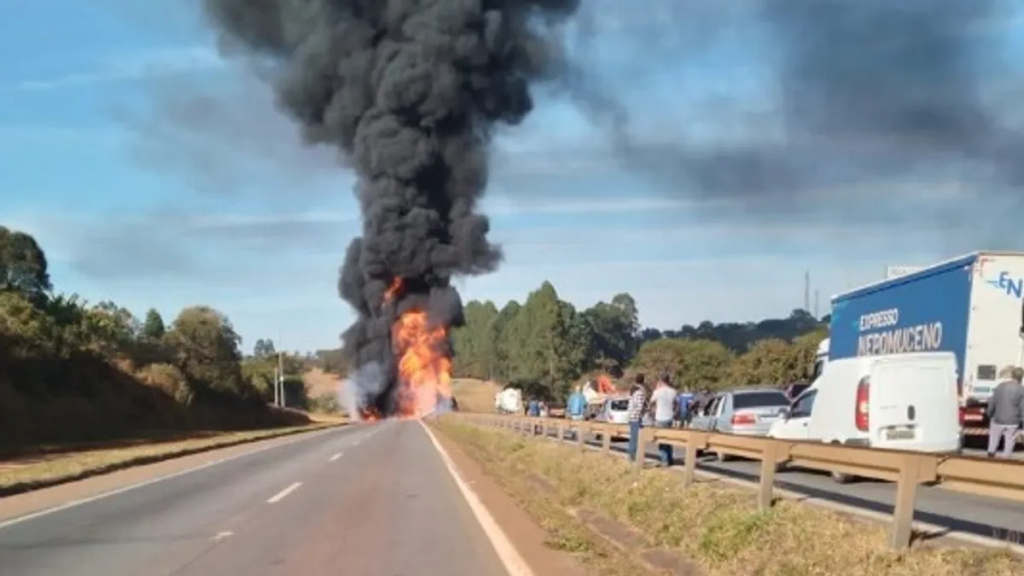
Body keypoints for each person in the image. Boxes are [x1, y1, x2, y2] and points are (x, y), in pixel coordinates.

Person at [986, 366, 1024, 458]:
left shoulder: (1000, 387)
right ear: (1021, 377)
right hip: (1013, 421)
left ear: (1012, 375)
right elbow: (1023, 407)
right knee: (1009, 442)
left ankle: (990, 456)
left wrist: (989, 413)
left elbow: (992, 402)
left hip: (998, 419)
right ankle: (1005, 461)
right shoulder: (1021, 390)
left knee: (993, 439)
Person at [649, 372, 677, 466]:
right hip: (669, 417)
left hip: (660, 417)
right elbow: (676, 403)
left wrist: (656, 389)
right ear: (669, 381)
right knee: (669, 439)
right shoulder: (673, 391)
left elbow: (651, 402)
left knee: (661, 440)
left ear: (660, 381)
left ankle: (664, 460)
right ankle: (670, 458)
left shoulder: (657, 392)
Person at [626, 374, 649, 462]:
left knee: (633, 438)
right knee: (635, 438)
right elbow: (639, 406)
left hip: (631, 416)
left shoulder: (633, 390)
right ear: (643, 381)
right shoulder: (640, 392)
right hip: (636, 417)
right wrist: (643, 412)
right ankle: (633, 457)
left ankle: (631, 455)